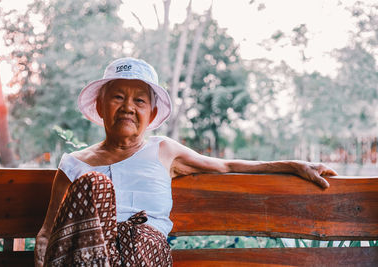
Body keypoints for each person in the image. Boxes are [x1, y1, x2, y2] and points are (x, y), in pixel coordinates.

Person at [34, 57, 337, 266]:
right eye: (117, 97)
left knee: (138, 235)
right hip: (85, 258)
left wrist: (292, 165)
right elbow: (48, 235)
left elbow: (227, 166)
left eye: (139, 100)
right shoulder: (74, 164)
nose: (128, 107)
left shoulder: (164, 150)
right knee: (93, 183)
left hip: (144, 255)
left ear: (151, 114)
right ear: (100, 106)